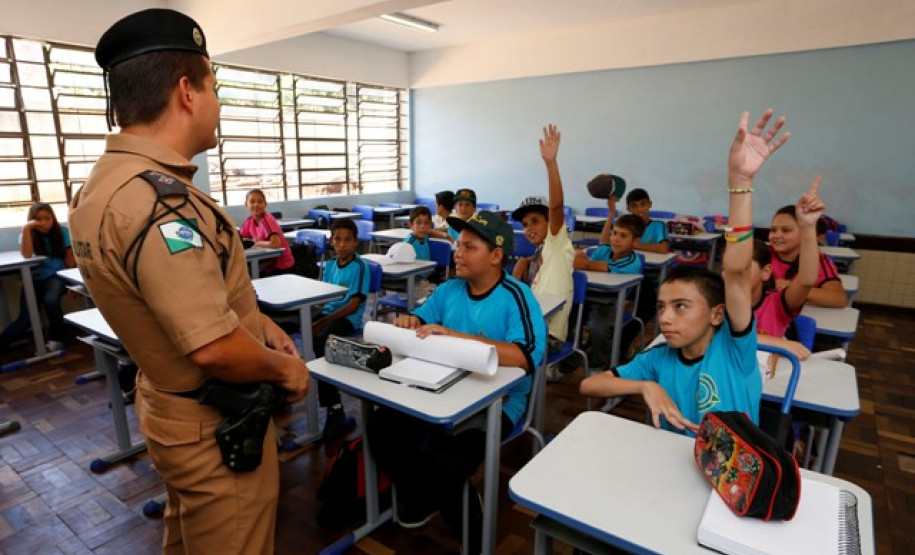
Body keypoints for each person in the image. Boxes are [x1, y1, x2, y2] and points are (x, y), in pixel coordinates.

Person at [68, 9, 308, 554]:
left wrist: (258, 322)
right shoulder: (158, 207)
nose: (218, 106)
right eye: (214, 88)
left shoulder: (101, 189)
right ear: (186, 92)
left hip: (168, 401)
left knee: (188, 536)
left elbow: (179, 299)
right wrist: (286, 369)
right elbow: (214, 349)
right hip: (213, 421)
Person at [581, 109, 790, 435]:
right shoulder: (657, 358)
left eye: (681, 307)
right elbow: (590, 386)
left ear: (717, 315)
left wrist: (740, 183)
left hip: (728, 477)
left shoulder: (734, 350)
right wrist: (643, 387)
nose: (665, 318)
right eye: (662, 307)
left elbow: (735, 272)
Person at [367, 211, 545, 552]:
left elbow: (525, 356)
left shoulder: (517, 295)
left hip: (500, 404)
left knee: (445, 450)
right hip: (442, 392)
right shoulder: (449, 289)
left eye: (469, 247)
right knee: (382, 425)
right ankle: (423, 497)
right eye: (458, 245)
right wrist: (409, 321)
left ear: (495, 255)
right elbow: (423, 318)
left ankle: (469, 527)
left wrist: (455, 336)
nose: (457, 253)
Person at [511, 125, 576, 380]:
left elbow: (557, 206)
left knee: (497, 355)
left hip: (549, 335)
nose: (529, 229)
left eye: (536, 221)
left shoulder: (557, 243)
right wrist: (523, 264)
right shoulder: (538, 255)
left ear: (549, 223)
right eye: (525, 225)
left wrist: (551, 164)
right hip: (531, 327)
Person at [753, 177, 825, 361]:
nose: (732, 274)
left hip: (774, 377)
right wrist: (778, 342)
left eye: (742, 269)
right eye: (726, 269)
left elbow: (807, 280)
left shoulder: (775, 304)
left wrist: (808, 227)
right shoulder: (719, 302)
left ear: (765, 271)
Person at [312, 217, 371, 441]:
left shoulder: (360, 266)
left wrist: (323, 322)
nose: (342, 245)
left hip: (349, 319)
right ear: (331, 241)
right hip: (328, 313)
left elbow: (353, 305)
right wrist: (316, 317)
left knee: (320, 339)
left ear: (356, 242)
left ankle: (334, 407)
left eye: (347, 240)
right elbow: (322, 296)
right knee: (299, 328)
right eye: (337, 240)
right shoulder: (329, 264)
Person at [574, 206, 645, 369]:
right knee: (568, 319)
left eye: (623, 236)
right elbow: (586, 262)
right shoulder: (605, 249)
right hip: (588, 298)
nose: (615, 239)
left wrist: (582, 260)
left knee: (598, 327)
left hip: (612, 304)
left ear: (635, 241)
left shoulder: (632, 262)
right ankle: (572, 358)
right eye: (614, 233)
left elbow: (590, 265)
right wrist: (581, 258)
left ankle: (598, 364)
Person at [0, 203, 75, 352]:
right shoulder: (27, 234)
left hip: (57, 276)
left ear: (53, 218)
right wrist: (27, 228)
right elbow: (27, 255)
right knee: (25, 320)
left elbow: (70, 261)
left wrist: (74, 284)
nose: (43, 223)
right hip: (34, 280)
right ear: (32, 220)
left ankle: (56, 339)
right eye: (38, 219)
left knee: (50, 300)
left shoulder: (63, 232)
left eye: (47, 218)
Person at [769, 204, 847, 308]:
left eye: (786, 230)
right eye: (773, 230)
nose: (777, 235)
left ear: (805, 233)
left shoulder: (818, 260)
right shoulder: (762, 253)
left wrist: (795, 290)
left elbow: (839, 298)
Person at [238, 188, 294, 275]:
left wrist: (256, 243)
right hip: (267, 264)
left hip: (281, 265)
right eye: (252, 202)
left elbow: (276, 244)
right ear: (246, 204)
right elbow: (241, 239)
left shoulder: (267, 220)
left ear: (265, 204)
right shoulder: (249, 221)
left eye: (260, 202)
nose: (256, 205)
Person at [625, 188, 670, 254]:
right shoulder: (624, 226)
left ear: (650, 204)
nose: (639, 209)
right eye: (634, 206)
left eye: (643, 204)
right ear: (628, 209)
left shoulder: (658, 225)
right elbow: (608, 244)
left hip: (652, 263)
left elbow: (663, 248)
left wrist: (635, 245)